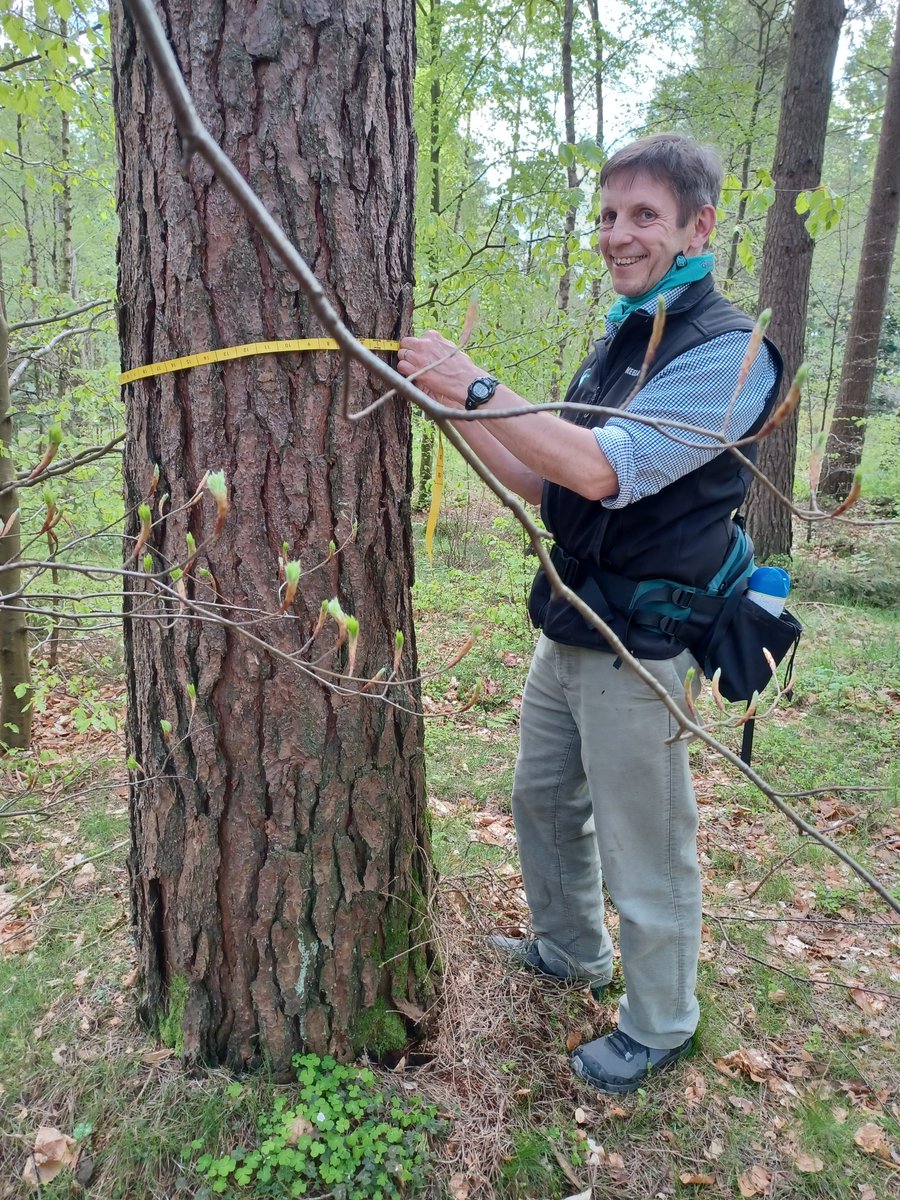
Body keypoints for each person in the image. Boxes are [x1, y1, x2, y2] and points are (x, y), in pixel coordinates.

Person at [397, 133, 782, 1094]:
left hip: (642, 644)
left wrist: (477, 384)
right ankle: (571, 950)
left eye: (644, 215)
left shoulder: (730, 355)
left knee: (645, 845)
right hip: (572, 620)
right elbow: (543, 475)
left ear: (700, 225)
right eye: (609, 215)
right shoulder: (623, 334)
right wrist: (459, 414)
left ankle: (660, 1021)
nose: (618, 234)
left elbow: (607, 470)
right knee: (541, 801)